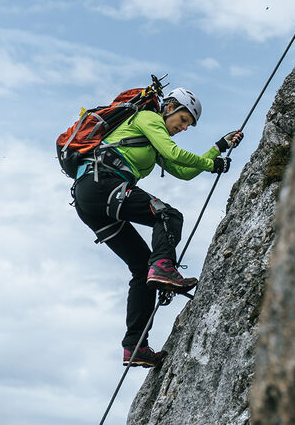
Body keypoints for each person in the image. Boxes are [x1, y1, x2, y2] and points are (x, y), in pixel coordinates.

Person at [72, 87, 243, 368]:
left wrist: (218, 148)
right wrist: (212, 164)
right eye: (184, 119)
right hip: (101, 184)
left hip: (91, 200)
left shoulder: (150, 141)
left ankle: (134, 346)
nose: (184, 127)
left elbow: (184, 171)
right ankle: (164, 266)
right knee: (168, 215)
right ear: (170, 107)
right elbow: (173, 151)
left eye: (189, 124)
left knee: (142, 269)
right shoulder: (148, 118)